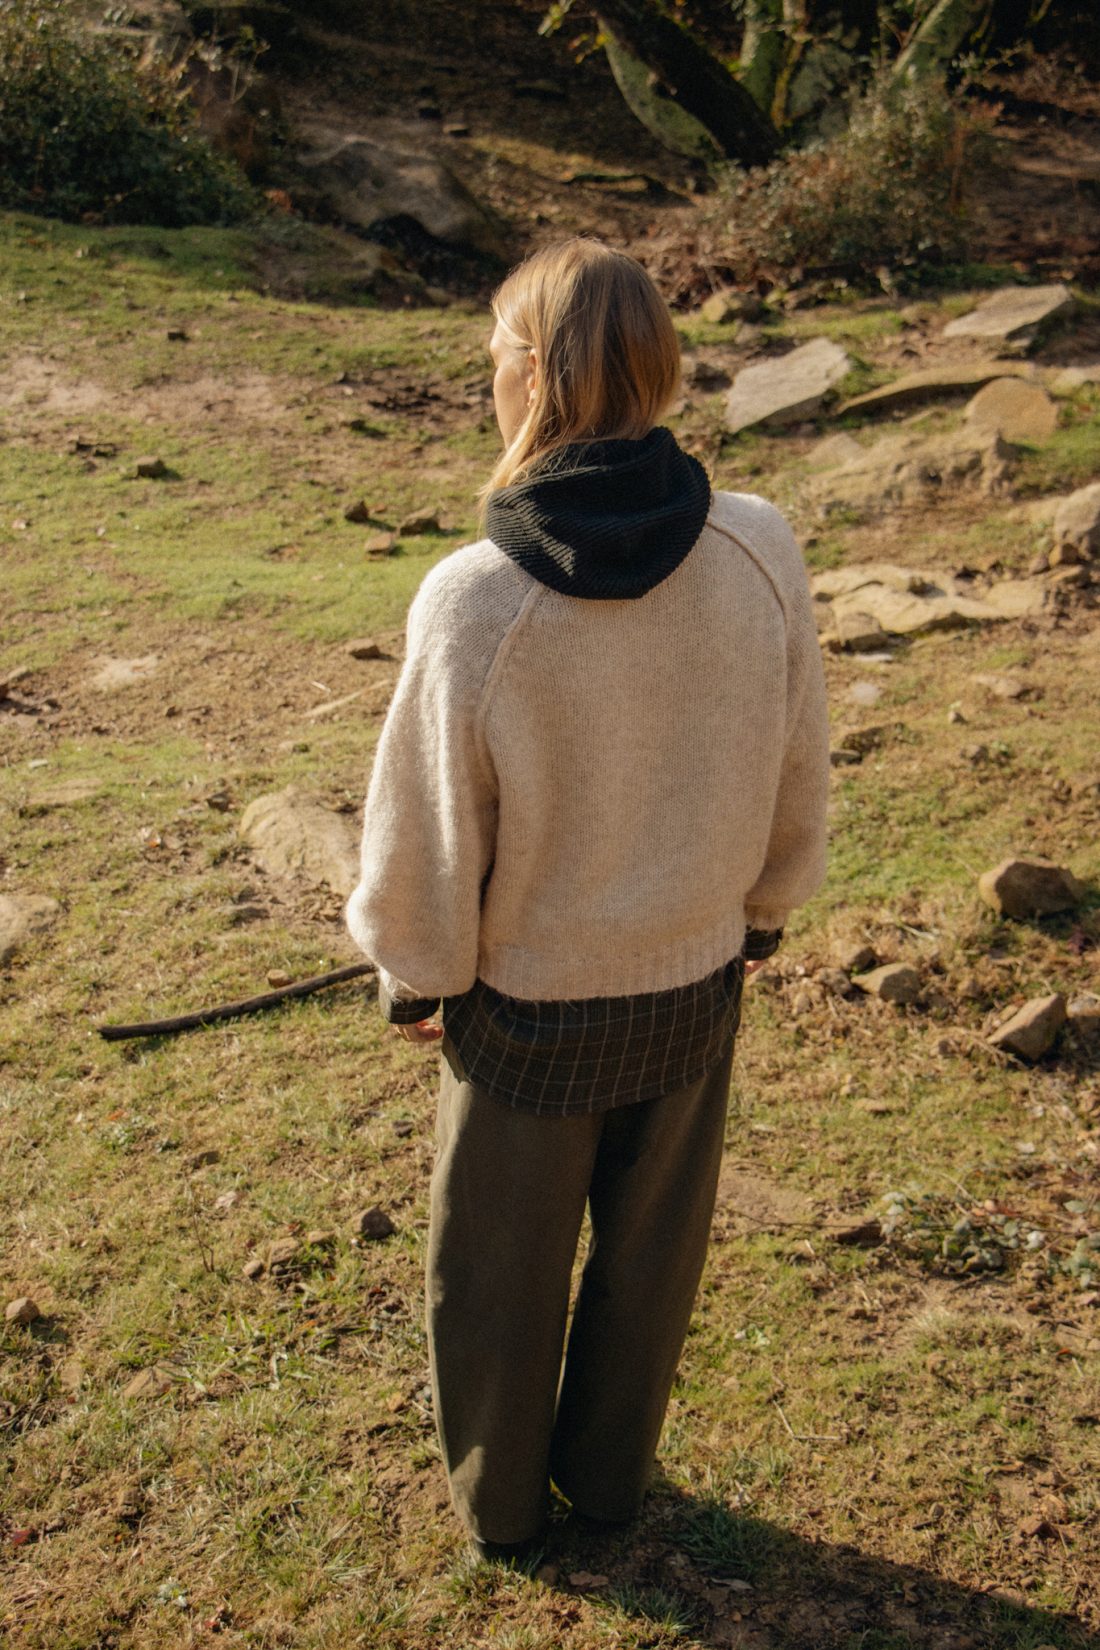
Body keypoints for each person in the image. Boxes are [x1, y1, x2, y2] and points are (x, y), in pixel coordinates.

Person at [346, 238, 829, 1562]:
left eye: (496, 348)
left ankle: (504, 1506)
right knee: (649, 1262)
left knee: (493, 1275)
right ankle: (610, 1481)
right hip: (693, 986)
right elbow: (800, 752)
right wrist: (769, 901)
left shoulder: (475, 596)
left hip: (528, 1016)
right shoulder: (758, 546)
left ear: (536, 376)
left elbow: (429, 824)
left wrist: (417, 969)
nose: (485, 374)